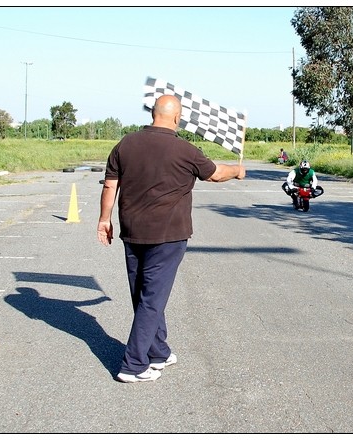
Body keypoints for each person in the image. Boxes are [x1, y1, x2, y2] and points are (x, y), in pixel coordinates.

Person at [97, 95, 246, 383]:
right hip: (168, 236)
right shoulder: (185, 149)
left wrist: (105, 219)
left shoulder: (125, 144)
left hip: (132, 231)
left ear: (153, 114)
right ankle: (133, 364)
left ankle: (159, 351)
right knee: (152, 298)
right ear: (177, 117)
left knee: (143, 293)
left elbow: (110, 185)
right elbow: (215, 175)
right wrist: (237, 170)